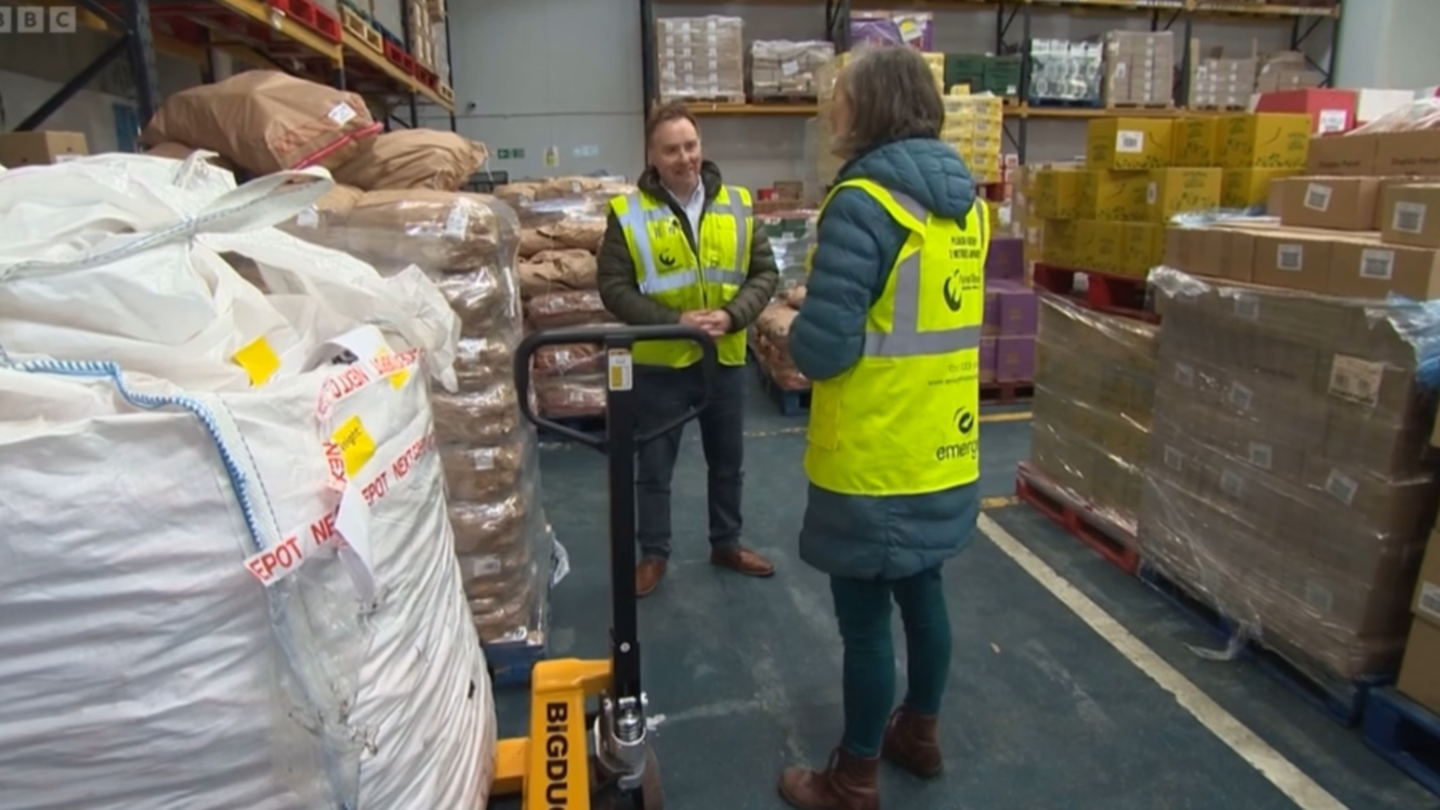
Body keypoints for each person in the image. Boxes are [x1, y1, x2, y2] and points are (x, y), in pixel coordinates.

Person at [777, 46, 989, 810]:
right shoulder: (968, 204)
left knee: (865, 623)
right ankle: (918, 735)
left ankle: (854, 777)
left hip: (873, 454)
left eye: (841, 96)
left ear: (870, 108)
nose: (833, 109)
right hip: (945, 445)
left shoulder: (865, 203)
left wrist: (795, 322)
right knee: (924, 595)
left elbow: (828, 353)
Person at [597, 101, 781, 598]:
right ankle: (653, 554)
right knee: (653, 466)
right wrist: (674, 323)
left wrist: (733, 315)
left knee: (728, 461)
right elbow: (613, 287)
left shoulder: (738, 204)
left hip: (723, 360)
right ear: (652, 157)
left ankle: (727, 542)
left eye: (691, 145)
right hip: (662, 363)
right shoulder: (629, 214)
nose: (685, 158)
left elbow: (764, 273)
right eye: (672, 149)